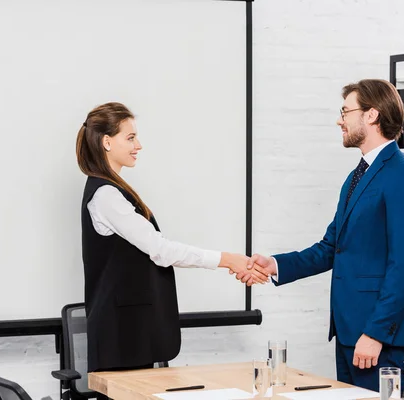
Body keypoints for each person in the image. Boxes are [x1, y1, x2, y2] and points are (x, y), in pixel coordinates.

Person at [238, 79, 404, 392]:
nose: (340, 120)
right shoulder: (356, 177)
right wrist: (273, 264)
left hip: (374, 334)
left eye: (345, 111)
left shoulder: (403, 174)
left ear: (371, 115)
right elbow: (330, 248)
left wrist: (376, 333)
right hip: (349, 329)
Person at [75, 102, 266, 389]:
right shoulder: (106, 196)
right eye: (130, 138)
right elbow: (161, 251)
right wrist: (227, 259)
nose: (138, 145)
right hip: (121, 339)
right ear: (106, 142)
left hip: (130, 336)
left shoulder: (112, 190)